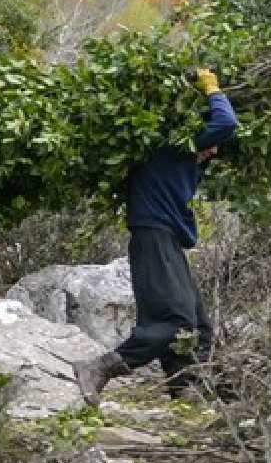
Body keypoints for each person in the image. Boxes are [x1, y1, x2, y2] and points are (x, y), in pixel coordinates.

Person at [72, 68, 238, 405]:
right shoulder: (168, 148)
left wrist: (203, 156)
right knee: (174, 320)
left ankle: (189, 389)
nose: (213, 149)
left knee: (197, 324)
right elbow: (226, 124)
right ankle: (100, 367)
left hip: (168, 241)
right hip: (153, 237)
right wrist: (212, 89)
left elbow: (213, 141)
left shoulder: (182, 162)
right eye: (208, 142)